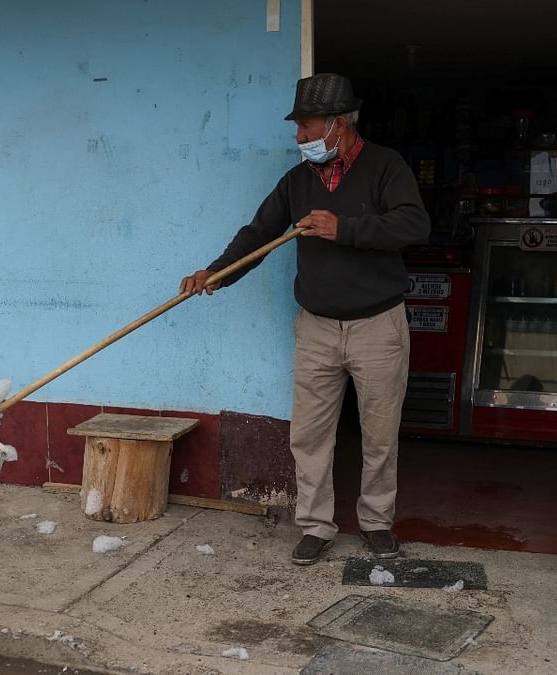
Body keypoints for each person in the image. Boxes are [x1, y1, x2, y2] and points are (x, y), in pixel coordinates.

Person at [180, 73, 429, 564]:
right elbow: (258, 233)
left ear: (338, 126)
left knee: (380, 432)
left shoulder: (386, 166)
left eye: (307, 128)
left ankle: (376, 521)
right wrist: (216, 273)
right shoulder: (296, 183)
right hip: (316, 325)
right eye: (299, 129)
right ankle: (316, 525)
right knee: (310, 435)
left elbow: (414, 224)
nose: (299, 139)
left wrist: (346, 228)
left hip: (378, 325)